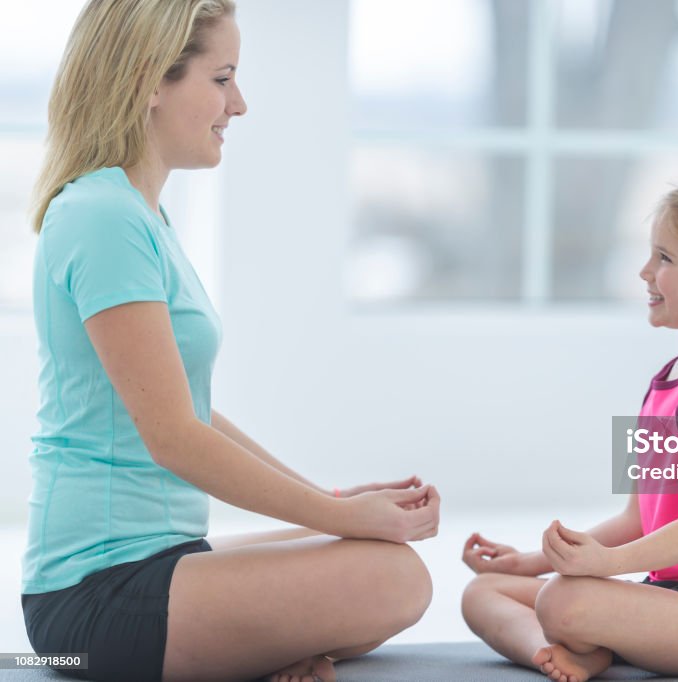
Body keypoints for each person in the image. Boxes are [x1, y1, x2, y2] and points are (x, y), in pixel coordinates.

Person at [21, 2, 439, 681]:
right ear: (148, 81)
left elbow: (184, 408)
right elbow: (175, 437)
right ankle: (264, 642)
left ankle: (263, 642)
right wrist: (347, 516)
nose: (237, 104)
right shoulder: (101, 217)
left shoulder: (138, 214)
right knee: (395, 578)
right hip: (91, 600)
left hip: (161, 559)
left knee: (351, 546)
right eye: (222, 79)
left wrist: (336, 507)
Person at [461, 179, 678, 681]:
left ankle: (587, 642)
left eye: (664, 258)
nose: (645, 272)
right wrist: (529, 562)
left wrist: (601, 564)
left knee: (563, 600)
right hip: (666, 597)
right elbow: (639, 519)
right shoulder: (666, 378)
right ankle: (562, 653)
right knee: (484, 592)